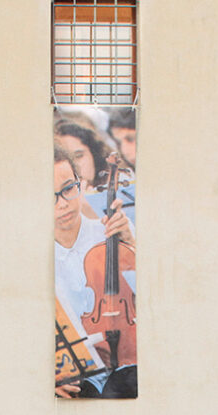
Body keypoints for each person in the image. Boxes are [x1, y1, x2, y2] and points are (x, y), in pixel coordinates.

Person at [53, 146, 137, 399]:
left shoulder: (110, 231)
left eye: (69, 189)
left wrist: (132, 246)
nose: (62, 205)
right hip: (73, 373)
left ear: (82, 184)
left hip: (123, 366)